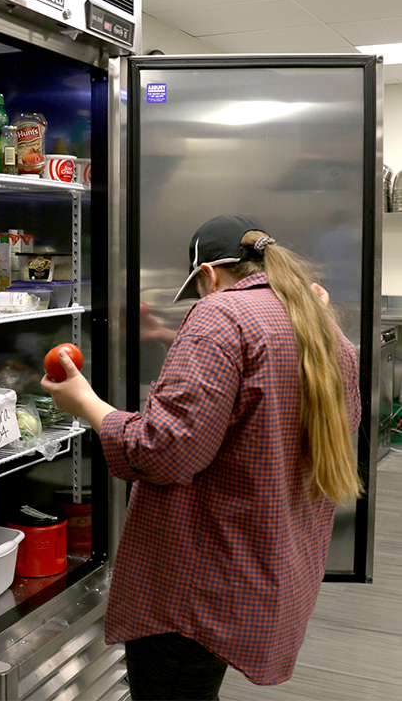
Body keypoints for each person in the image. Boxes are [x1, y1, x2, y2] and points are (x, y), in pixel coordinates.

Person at [41, 214, 362, 701]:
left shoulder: (219, 317)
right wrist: (175, 342)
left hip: (198, 585)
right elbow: (274, 384)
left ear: (207, 273)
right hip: (265, 568)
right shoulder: (316, 320)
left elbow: (161, 451)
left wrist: (85, 402)